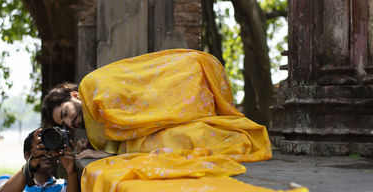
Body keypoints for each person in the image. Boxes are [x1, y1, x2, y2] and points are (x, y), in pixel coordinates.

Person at [41, 49, 272, 162]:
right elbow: (115, 130)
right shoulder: (92, 119)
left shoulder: (90, 86)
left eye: (66, 113)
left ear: (74, 95)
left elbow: (115, 113)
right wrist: (91, 144)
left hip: (181, 77)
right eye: (66, 123)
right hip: (150, 130)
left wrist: (103, 152)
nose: (71, 122)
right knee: (185, 139)